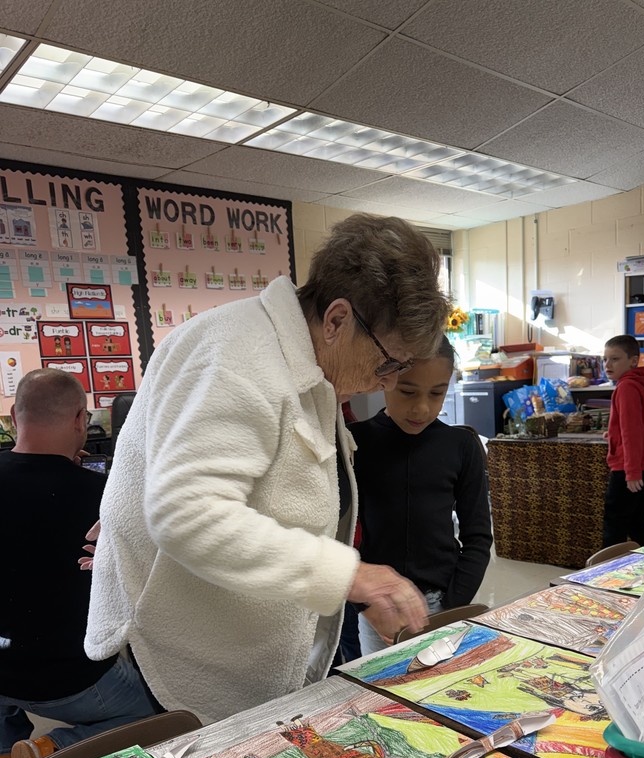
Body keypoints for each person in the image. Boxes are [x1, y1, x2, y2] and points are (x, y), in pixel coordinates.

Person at [85, 214, 450, 723]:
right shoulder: (238, 354)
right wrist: (353, 577)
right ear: (338, 319)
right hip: (183, 650)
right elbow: (187, 514)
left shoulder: (306, 360)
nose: (382, 383)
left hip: (243, 638)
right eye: (388, 363)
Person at [0, 369, 160, 758]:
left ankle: (4, 752)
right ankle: (49, 750)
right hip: (65, 677)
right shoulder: (102, 498)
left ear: (15, 419)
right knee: (156, 713)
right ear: (78, 421)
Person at [349, 337, 493, 655]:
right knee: (383, 693)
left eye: (437, 393)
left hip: (442, 600)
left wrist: (451, 604)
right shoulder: (355, 443)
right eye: (408, 391)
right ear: (384, 380)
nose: (422, 408)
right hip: (376, 606)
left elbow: (479, 537)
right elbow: (340, 536)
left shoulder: (461, 446)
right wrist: (364, 604)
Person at [602, 334, 644, 547]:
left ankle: (605, 574)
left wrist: (632, 471)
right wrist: (612, 433)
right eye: (605, 359)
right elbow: (643, 425)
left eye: (615, 359)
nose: (607, 365)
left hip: (630, 467)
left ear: (633, 361)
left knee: (615, 523)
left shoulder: (626, 386)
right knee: (637, 522)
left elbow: (632, 432)